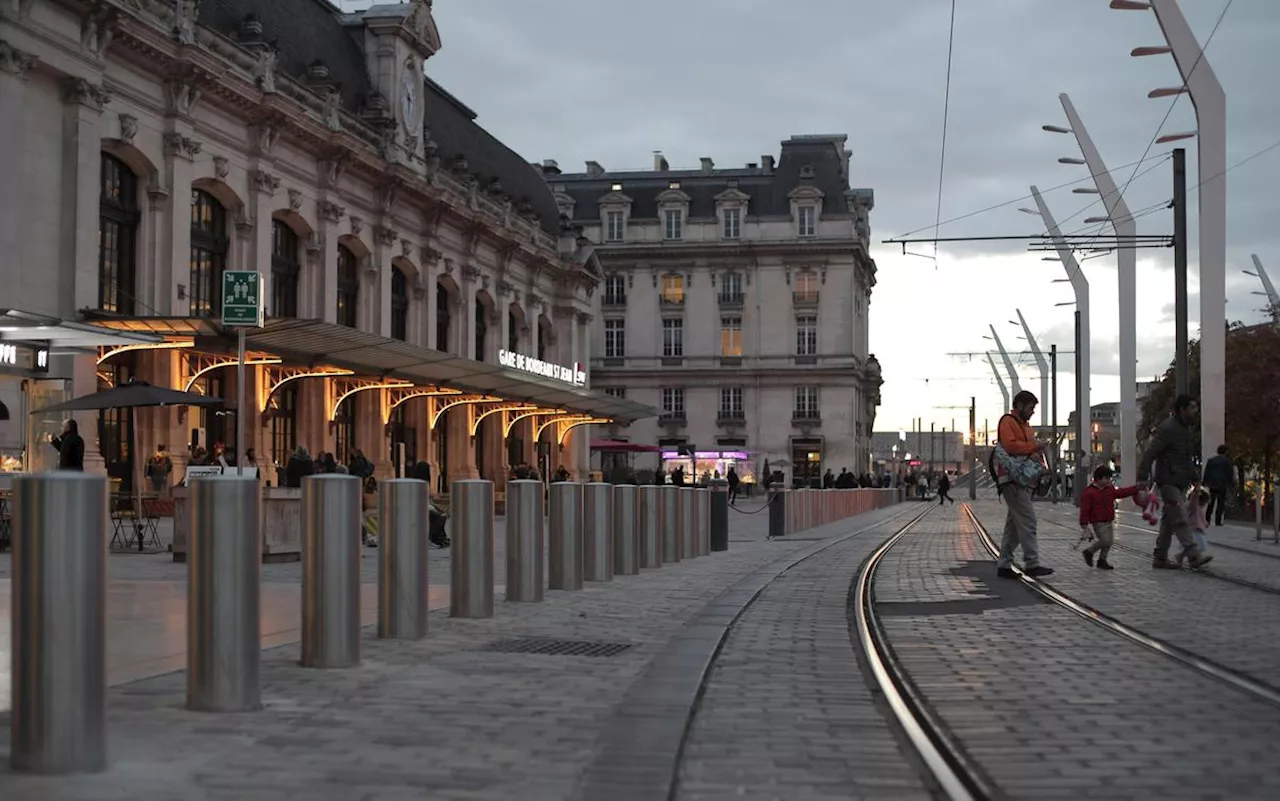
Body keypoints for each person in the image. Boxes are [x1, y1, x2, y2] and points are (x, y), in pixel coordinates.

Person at [1137, 394, 1212, 569]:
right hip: (1168, 480)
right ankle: (1193, 555)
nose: (1195, 410)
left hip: (1180, 480)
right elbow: (1151, 452)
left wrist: (1195, 478)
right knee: (1179, 516)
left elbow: (1187, 458)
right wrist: (1142, 477)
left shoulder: (1186, 429)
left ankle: (1160, 557)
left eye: (1195, 407)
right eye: (1192, 407)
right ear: (1182, 409)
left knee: (1169, 521)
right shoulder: (1168, 428)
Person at [994, 391, 1053, 578]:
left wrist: (1034, 453)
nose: (1032, 412)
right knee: (1027, 521)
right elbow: (1010, 446)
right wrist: (1035, 448)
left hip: (1023, 480)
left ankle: (1004, 565)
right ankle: (1032, 563)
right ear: (1019, 405)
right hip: (1011, 480)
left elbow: (1025, 449)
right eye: (1030, 408)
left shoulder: (1026, 427)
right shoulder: (1007, 422)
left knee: (1014, 526)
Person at [1078, 465, 1139, 570]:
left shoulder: (1109, 489)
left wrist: (1135, 489)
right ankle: (1089, 552)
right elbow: (1085, 510)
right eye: (1106, 478)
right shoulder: (1089, 493)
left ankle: (1102, 560)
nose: (1108, 481)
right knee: (1105, 540)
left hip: (1109, 519)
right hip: (1098, 521)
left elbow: (1120, 493)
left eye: (1109, 478)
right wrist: (1084, 525)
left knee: (1109, 542)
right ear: (1098, 478)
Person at [1176, 487, 1212, 566]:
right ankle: (1196, 558)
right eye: (1203, 502)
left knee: (1191, 547)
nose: (1204, 505)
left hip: (1197, 529)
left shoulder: (1198, 508)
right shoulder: (1192, 505)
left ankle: (1191, 560)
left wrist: (1205, 523)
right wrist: (1196, 491)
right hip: (1192, 530)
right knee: (1196, 546)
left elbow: (1200, 518)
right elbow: (1193, 501)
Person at [1201, 445, 1233, 526]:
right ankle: (1218, 521)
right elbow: (1229, 473)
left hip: (1212, 484)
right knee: (1220, 503)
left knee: (1210, 503)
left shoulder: (1211, 461)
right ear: (1226, 452)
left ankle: (1207, 519)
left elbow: (1207, 472)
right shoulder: (1227, 461)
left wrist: (1204, 483)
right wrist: (1231, 484)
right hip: (1222, 484)